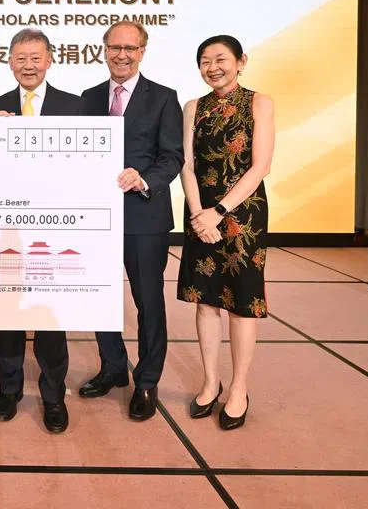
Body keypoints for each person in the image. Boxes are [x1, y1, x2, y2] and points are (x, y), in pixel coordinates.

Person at [78, 22, 183, 421]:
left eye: (130, 48)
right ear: (103, 50)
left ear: (143, 51)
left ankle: (147, 379)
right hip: (96, 218)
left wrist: (145, 180)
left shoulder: (163, 98)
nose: (122, 55)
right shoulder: (87, 99)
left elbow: (172, 156)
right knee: (98, 297)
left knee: (148, 301)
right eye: (114, 47)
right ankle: (113, 367)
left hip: (144, 215)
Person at [0, 28, 81, 434]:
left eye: (35, 57)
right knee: (8, 312)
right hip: (8, 228)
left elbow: (82, 166)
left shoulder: (73, 106)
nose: (28, 65)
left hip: (55, 229)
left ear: (49, 60)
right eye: (20, 58)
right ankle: (9, 389)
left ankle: (53, 393)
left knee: (50, 315)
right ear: (9, 62)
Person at [178, 35, 273, 431]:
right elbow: (185, 165)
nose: (212, 66)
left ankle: (238, 388)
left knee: (241, 303)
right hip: (200, 211)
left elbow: (260, 167)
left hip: (242, 215)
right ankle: (209, 381)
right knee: (206, 301)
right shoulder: (193, 107)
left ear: (241, 61)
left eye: (221, 59)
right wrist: (199, 213)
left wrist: (219, 212)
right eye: (205, 60)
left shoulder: (259, 102)